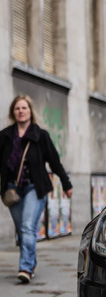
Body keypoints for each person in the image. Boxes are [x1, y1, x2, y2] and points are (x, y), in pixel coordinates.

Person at [0, 95, 73, 284]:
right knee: (23, 230)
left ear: (30, 111)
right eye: (17, 108)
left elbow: (55, 162)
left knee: (27, 226)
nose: (21, 111)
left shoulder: (41, 135)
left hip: (34, 188)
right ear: (12, 112)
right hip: (12, 190)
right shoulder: (5, 136)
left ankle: (25, 267)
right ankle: (31, 263)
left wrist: (66, 184)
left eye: (24, 108)